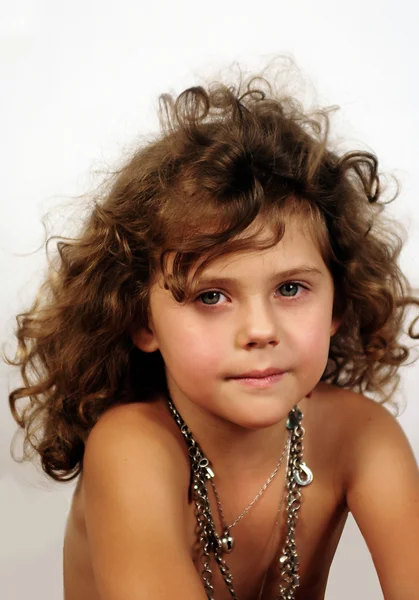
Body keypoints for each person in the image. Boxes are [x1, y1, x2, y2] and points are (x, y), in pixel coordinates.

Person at [5, 58, 419, 600]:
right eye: (211, 296)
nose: (259, 330)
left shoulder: (359, 436)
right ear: (140, 320)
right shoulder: (134, 449)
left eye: (291, 289)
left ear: (339, 302)